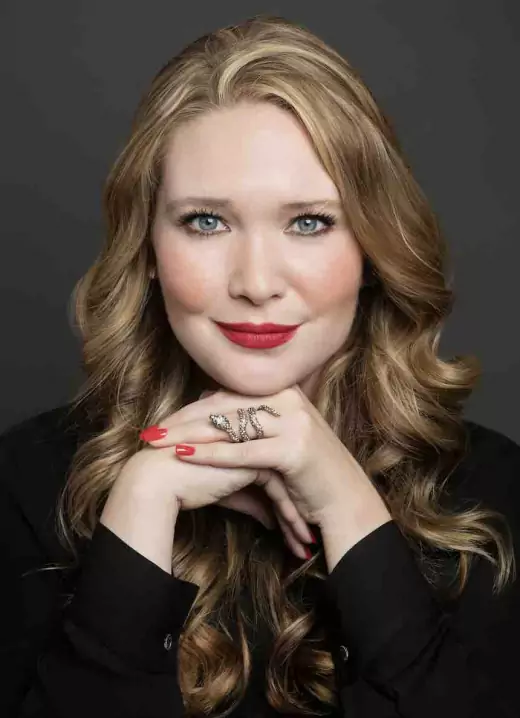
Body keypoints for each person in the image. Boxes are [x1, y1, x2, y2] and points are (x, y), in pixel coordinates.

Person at [1, 12, 519, 718]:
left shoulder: (494, 496)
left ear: (373, 250)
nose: (254, 281)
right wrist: (142, 497)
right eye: (205, 222)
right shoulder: (23, 488)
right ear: (148, 250)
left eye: (309, 221)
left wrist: (347, 505)